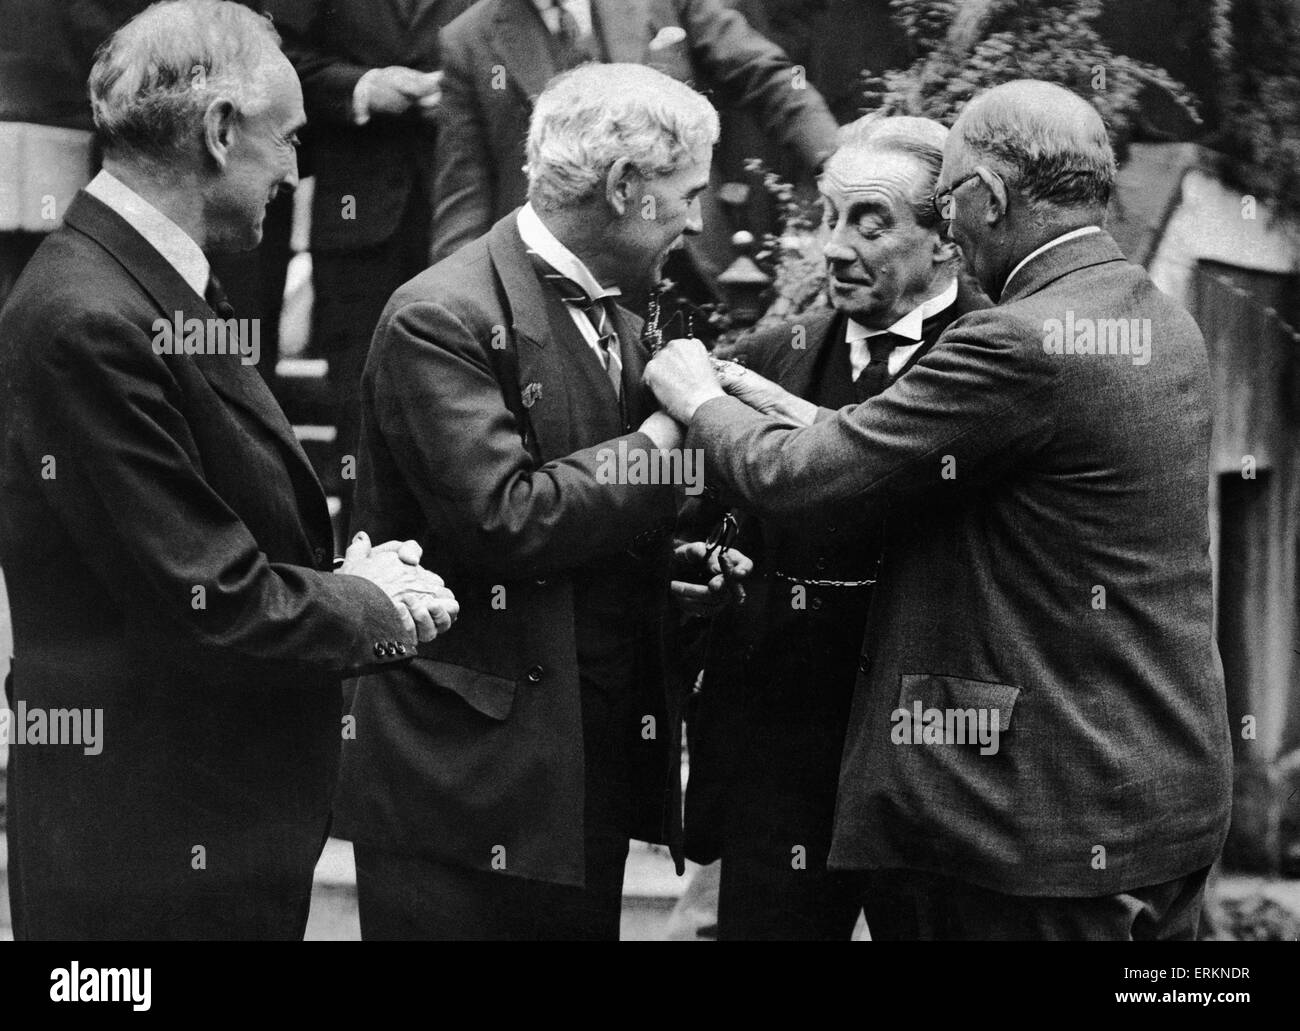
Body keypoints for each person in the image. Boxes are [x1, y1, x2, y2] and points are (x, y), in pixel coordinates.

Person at [646, 80, 1233, 940]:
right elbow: (927, 462)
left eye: (950, 201)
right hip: (1153, 797)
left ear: (988, 199)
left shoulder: (1014, 341)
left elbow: (808, 479)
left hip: (1039, 829)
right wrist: (793, 411)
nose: (952, 225)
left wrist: (700, 401)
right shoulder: (1153, 317)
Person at [0, 0, 458, 941]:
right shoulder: (91, 315)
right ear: (218, 132)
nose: (295, 171)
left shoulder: (146, 284)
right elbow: (202, 592)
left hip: (196, 827)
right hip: (147, 855)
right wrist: (372, 602)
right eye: (287, 141)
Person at [332, 62, 749, 940]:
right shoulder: (437, 317)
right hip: (462, 787)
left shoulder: (629, 316)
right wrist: (664, 441)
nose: (699, 219)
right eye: (689, 192)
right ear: (625, 187)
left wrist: (674, 567)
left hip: (577, 775)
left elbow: (590, 514)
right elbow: (505, 516)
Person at [685, 114, 988, 940]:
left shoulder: (1004, 358)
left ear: (947, 242)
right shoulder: (771, 355)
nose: (834, 247)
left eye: (870, 221)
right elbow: (705, 508)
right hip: (779, 753)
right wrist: (706, 560)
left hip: (935, 754)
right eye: (827, 216)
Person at [430, 0, 839, 300]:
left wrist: (835, 160)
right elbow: (464, 194)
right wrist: (462, 296)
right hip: (555, 281)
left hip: (691, 258)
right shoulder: (469, 39)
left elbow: (766, 76)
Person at [265, 0, 476, 527]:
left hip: (463, 216)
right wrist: (362, 87)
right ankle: (364, 572)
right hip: (358, 229)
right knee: (359, 414)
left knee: (461, 411)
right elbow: (272, 53)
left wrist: (465, 87)